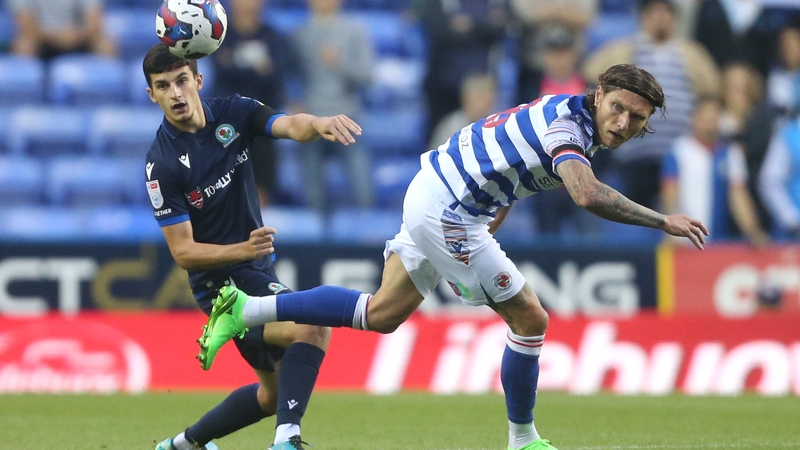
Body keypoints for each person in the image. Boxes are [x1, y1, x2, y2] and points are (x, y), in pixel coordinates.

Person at [197, 64, 708, 450]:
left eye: (635, 119)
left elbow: (511, 162)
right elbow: (587, 194)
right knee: (531, 318)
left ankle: (246, 309)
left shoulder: (573, 120)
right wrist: (663, 220)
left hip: (439, 190)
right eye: (617, 107)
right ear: (598, 95)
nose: (621, 122)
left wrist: (495, 212)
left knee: (381, 314)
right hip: (449, 210)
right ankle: (524, 439)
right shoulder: (568, 127)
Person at [141, 43, 362, 450]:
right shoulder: (162, 165)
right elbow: (183, 253)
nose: (175, 94)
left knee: (273, 395)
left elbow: (289, 125)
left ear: (198, 81)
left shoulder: (235, 112)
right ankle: (286, 440)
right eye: (163, 86)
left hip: (257, 270)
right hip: (223, 291)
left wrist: (318, 122)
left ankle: (181, 446)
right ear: (151, 95)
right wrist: (242, 251)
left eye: (181, 81)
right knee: (310, 329)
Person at [583, 0, 720, 210]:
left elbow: (712, 87)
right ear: (643, 17)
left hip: (679, 154)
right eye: (655, 12)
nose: (661, 18)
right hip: (635, 152)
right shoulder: (625, 49)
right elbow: (590, 72)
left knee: (678, 213)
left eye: (666, 13)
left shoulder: (690, 53)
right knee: (636, 215)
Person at [290, 0, 374, 211]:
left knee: (363, 188)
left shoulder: (354, 31)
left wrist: (340, 61)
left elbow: (367, 75)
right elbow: (291, 75)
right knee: (312, 192)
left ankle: (367, 231)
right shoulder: (300, 34)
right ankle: (314, 236)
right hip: (311, 118)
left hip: (347, 116)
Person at [212, 0, 292, 207]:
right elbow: (221, 71)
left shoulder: (273, 36)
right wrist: (257, 68)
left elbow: (275, 75)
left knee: (261, 184)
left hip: (262, 122)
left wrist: (236, 64)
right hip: (226, 119)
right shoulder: (219, 35)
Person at [660, 97, 770, 247]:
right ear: (695, 119)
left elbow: (738, 195)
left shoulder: (730, 153)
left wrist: (753, 231)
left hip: (718, 241)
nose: (710, 122)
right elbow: (670, 193)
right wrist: (671, 231)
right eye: (706, 118)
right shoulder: (679, 150)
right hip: (684, 242)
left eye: (714, 117)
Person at [9, 0, 116, 59]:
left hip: (78, 38)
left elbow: (94, 23)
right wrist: (56, 36)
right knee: (23, 45)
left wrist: (76, 34)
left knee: (105, 45)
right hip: (41, 40)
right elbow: (26, 26)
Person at [428, 73, 497, 150]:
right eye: (480, 96)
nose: (486, 101)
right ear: (466, 98)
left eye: (489, 96)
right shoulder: (452, 125)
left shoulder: (498, 124)